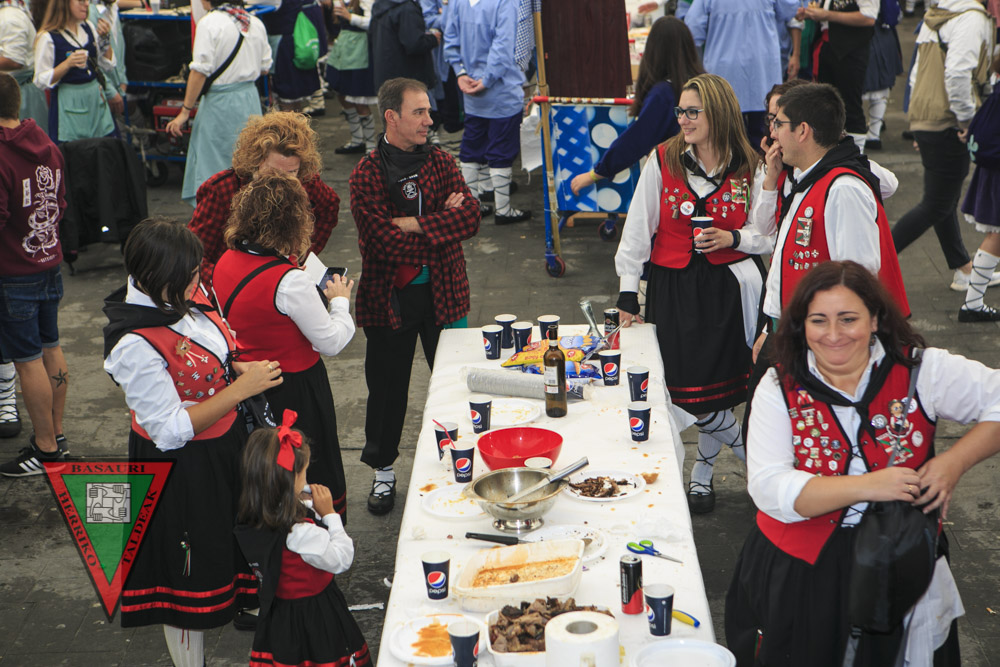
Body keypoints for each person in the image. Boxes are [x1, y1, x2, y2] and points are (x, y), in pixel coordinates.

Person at [725, 260, 1000, 666]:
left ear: (874, 319)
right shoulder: (778, 385)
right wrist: (870, 485)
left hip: (898, 563)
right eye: (818, 320)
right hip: (801, 569)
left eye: (848, 319)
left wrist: (954, 462)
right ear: (802, 325)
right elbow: (768, 486)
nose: (834, 335)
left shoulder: (921, 370)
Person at [103, 218, 282, 667]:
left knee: (230, 545)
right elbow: (168, 431)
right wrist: (239, 391)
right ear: (154, 276)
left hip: (224, 450)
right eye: (187, 278)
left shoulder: (180, 293)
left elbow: (212, 350)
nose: (196, 284)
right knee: (186, 579)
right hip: (183, 472)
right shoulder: (132, 345)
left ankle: (242, 602)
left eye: (197, 273)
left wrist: (234, 369)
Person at [614, 73, 766, 513]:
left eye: (692, 111)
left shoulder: (750, 164)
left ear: (717, 113)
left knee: (719, 389)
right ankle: (755, 461)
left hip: (730, 288)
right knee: (682, 390)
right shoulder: (663, 159)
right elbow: (638, 228)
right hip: (674, 287)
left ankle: (702, 472)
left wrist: (734, 238)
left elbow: (769, 232)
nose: (682, 119)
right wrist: (628, 293)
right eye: (680, 111)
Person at [349, 77, 480, 514]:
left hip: (446, 294)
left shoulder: (440, 161)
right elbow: (381, 241)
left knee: (455, 386)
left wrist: (414, 223)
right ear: (392, 117)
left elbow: (471, 218)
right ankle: (383, 472)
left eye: (428, 111)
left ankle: (459, 462)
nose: (429, 120)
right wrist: (441, 224)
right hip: (389, 301)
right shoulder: (367, 172)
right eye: (419, 112)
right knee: (387, 391)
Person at [213, 170, 356, 522]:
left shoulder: (225, 260)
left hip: (251, 387)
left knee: (268, 472)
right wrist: (339, 301)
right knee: (308, 469)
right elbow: (331, 341)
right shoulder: (290, 281)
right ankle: (320, 533)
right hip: (296, 389)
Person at [750, 82, 909, 365]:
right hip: (795, 333)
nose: (773, 133)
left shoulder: (842, 188)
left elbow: (857, 281)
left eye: (779, 124)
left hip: (822, 347)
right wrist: (769, 329)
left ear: (802, 131)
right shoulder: (807, 178)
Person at [234, 412, 371, 667]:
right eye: (304, 473)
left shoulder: (255, 514)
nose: (307, 480)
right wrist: (330, 516)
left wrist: (302, 503)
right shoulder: (301, 532)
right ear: (290, 480)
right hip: (315, 617)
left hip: (280, 615)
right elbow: (342, 559)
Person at [892, 0, 995, 293]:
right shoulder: (971, 18)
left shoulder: (937, 16)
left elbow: (917, 74)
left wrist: (918, 120)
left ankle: (963, 268)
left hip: (929, 117)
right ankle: (869, 265)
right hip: (948, 121)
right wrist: (968, 122)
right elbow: (958, 73)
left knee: (943, 199)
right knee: (937, 203)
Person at [0, 72, 71, 476]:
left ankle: (46, 450)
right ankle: (56, 435)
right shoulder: (46, 144)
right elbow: (60, 204)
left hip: (14, 274)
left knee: (28, 362)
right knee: (51, 349)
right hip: (48, 265)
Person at [188, 111, 341, 290]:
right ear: (257, 160)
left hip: (283, 284)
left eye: (291, 172)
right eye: (273, 172)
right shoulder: (221, 190)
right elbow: (193, 256)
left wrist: (303, 255)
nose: (282, 180)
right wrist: (228, 284)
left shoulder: (306, 181)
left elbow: (329, 207)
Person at [568, 16, 704, 196]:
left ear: (654, 51)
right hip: (706, 176)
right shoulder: (703, 85)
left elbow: (636, 140)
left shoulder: (663, 94)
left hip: (676, 181)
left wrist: (596, 173)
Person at [165, 0, 271, 206]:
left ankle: (216, 214)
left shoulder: (209, 23)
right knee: (249, 163)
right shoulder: (254, 22)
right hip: (249, 100)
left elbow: (199, 72)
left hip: (219, 104)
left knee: (215, 167)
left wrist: (185, 111)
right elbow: (265, 67)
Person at [444, 0, 531, 224]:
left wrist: (460, 73)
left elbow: (450, 38)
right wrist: (487, 79)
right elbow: (503, 47)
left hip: (471, 91)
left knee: (471, 148)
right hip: (501, 92)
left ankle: (471, 207)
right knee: (501, 151)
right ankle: (503, 209)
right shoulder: (505, 3)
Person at [684, 0, 799, 149]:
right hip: (762, 69)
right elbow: (790, 10)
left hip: (725, 72)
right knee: (766, 137)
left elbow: (693, 29)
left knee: (727, 140)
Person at [798, 0, 879, 151]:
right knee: (825, 107)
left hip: (850, 50)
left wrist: (827, 15)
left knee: (850, 107)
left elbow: (869, 17)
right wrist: (811, 13)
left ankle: (856, 157)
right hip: (827, 47)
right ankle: (830, 155)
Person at [33, 0, 116, 142]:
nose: (86, 4)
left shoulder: (88, 27)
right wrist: (67, 64)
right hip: (68, 105)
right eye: (81, 0)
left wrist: (105, 39)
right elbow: (40, 80)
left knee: (102, 148)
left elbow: (107, 65)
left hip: (95, 101)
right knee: (73, 150)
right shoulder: (48, 37)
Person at [956, 54, 1000, 321]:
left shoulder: (995, 91)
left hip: (992, 169)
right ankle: (972, 304)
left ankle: (973, 303)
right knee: (997, 235)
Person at [326, 0, 379, 154]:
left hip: (359, 50)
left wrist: (351, 17)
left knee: (359, 99)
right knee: (341, 94)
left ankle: (371, 146)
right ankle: (357, 139)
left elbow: (373, 23)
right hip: (343, 48)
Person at [260, 0, 327, 111]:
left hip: (284, 47)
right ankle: (296, 121)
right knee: (294, 100)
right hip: (294, 42)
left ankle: (291, 122)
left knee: (288, 99)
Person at [370, 0, 440, 92]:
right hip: (409, 81)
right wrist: (433, 39)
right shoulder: (407, 9)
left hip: (387, 79)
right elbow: (414, 44)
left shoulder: (379, 6)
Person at [860, 0, 903, 151]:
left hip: (863, 35)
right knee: (880, 84)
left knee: (858, 86)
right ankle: (874, 132)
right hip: (883, 33)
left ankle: (871, 132)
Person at [0, 0, 49, 131]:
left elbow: (14, 60)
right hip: (11, 92)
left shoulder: (10, 17)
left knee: (24, 139)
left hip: (20, 94)